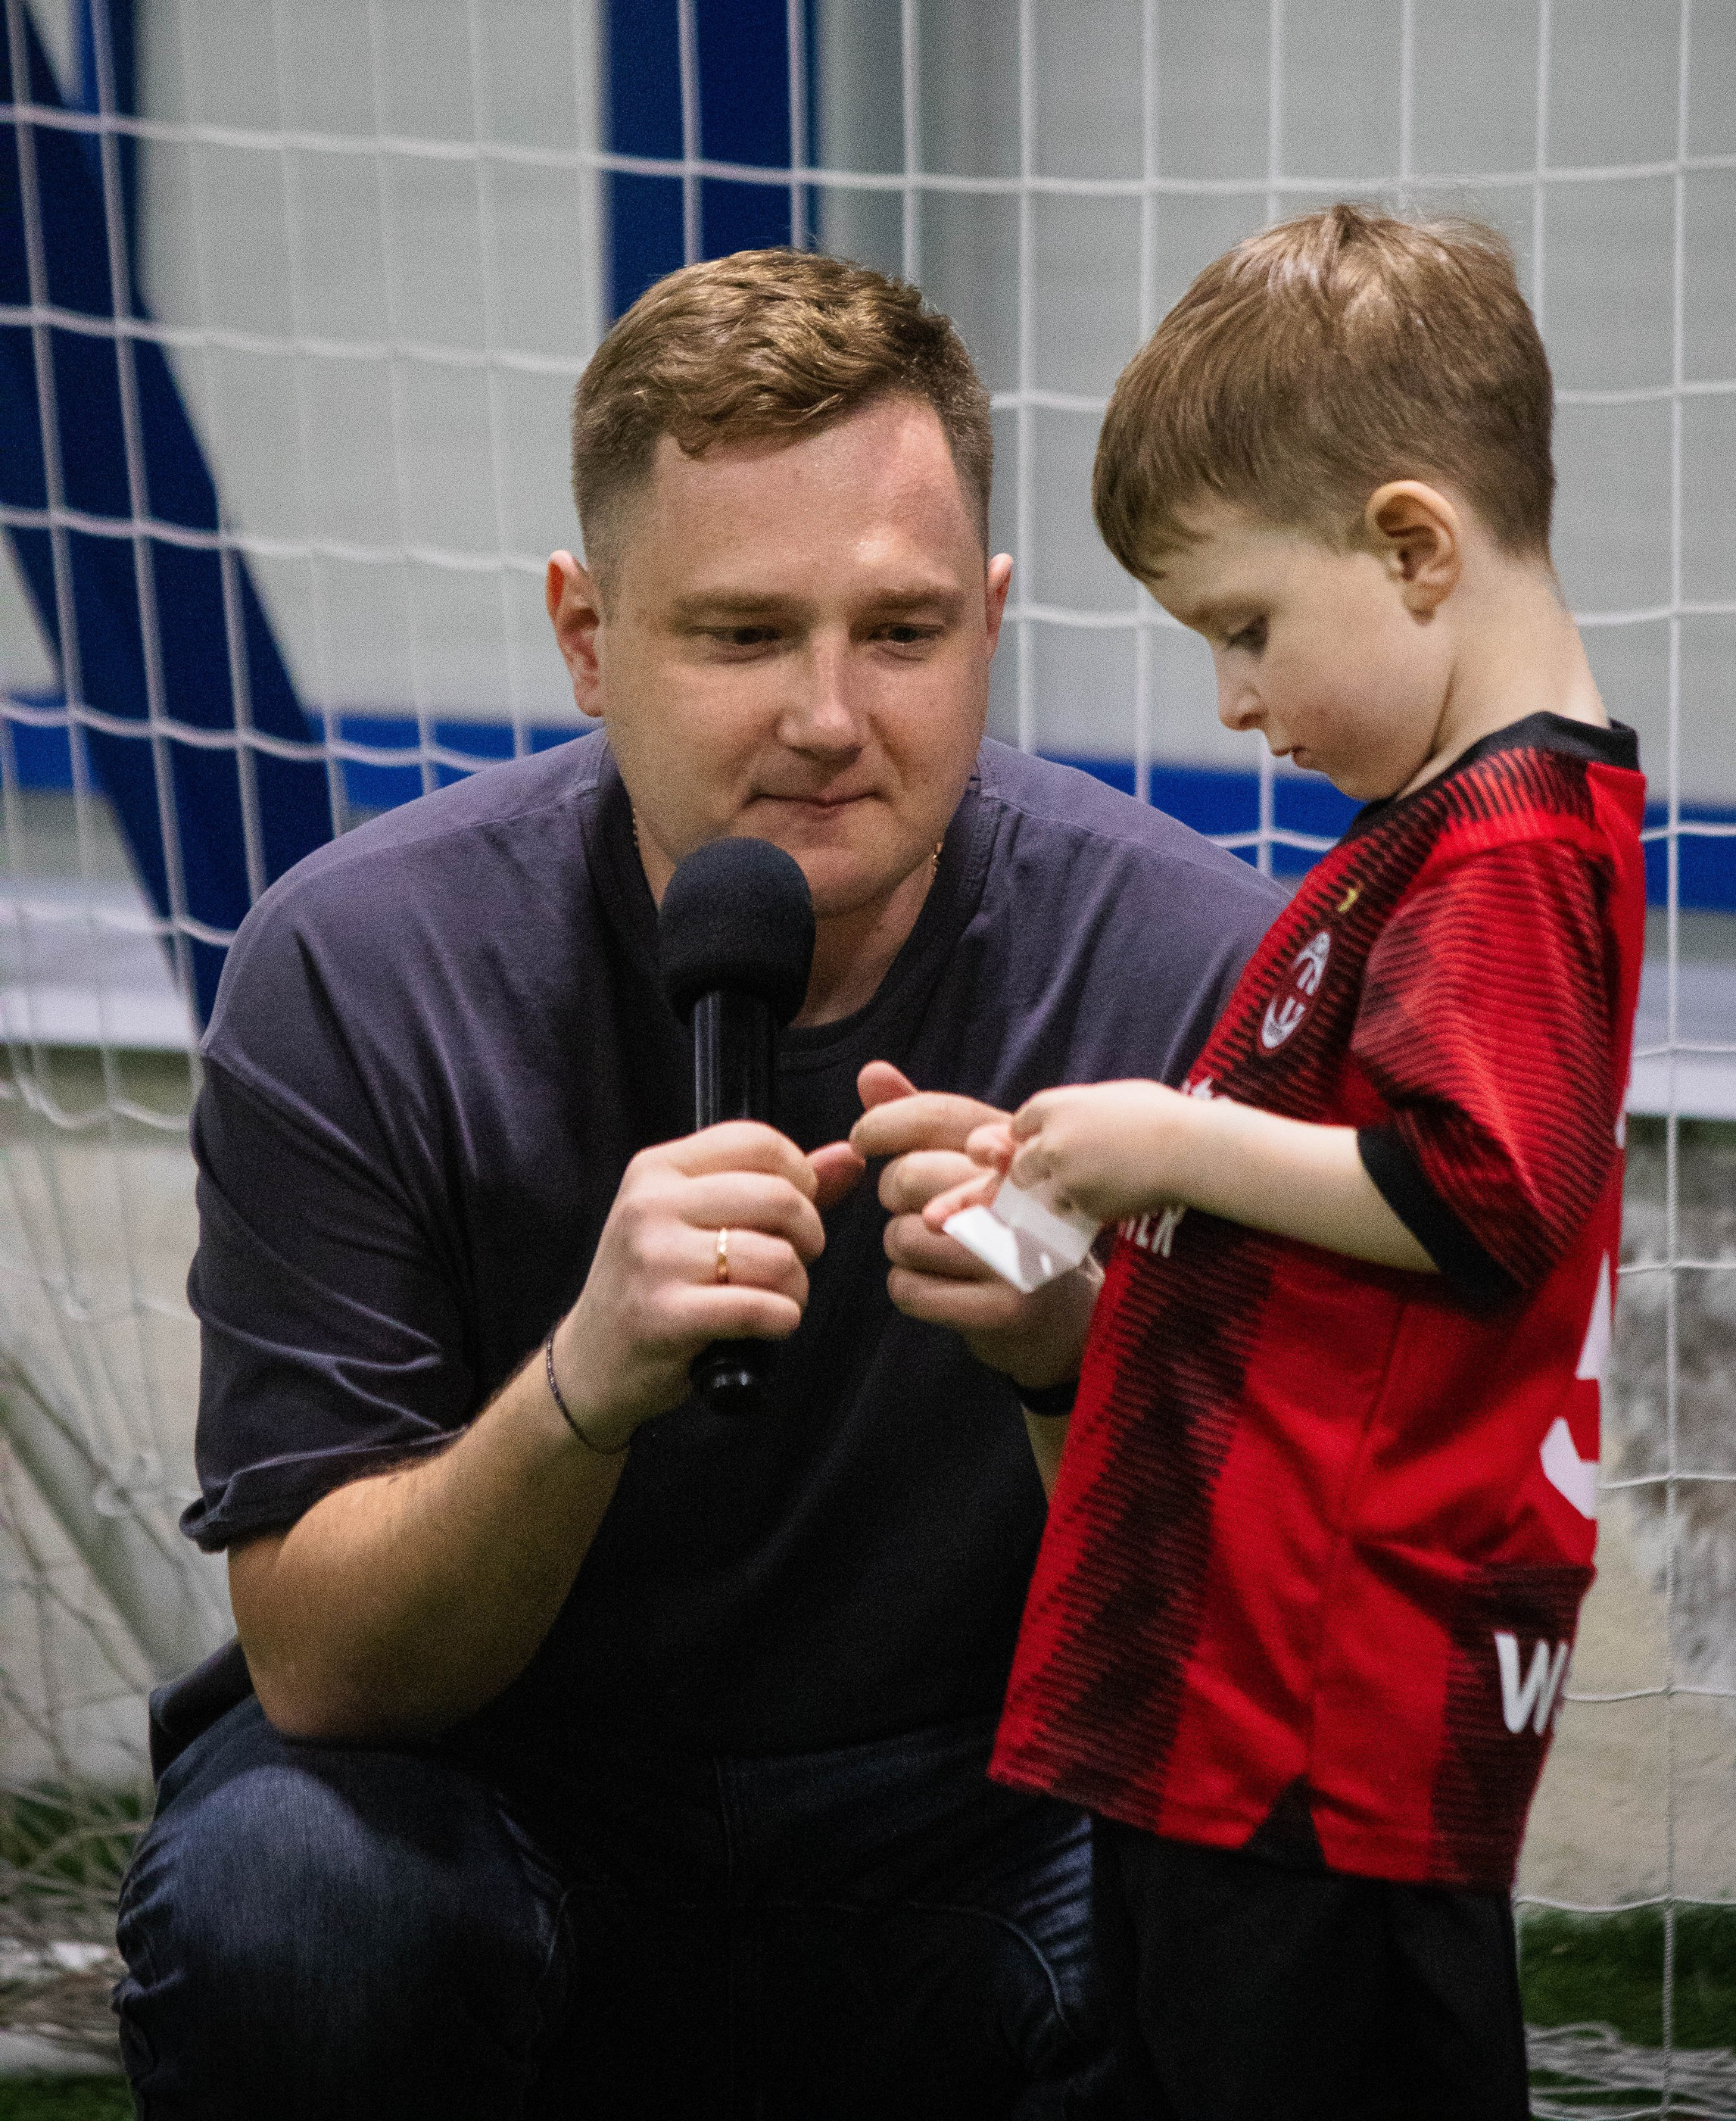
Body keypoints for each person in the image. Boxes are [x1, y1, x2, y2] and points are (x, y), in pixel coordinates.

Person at [111, 249, 1280, 2120]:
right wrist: (579, 1392)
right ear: (585, 636)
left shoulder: (1187, 972)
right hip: (502, 1794)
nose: (828, 717)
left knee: (1261, 1883)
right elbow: (322, 1668)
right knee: (291, 1901)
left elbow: (1235, 1661)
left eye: (899, 635)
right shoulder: (357, 964)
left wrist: (1073, 1366)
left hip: (977, 1816)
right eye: (741, 636)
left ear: (990, 621)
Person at [926, 208, 1645, 2121]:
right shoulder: (1452, 825)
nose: (1232, 701)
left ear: (1412, 546)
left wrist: (1170, 1136)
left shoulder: (1503, 848)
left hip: (1323, 1727)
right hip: (1244, 1692)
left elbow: (1476, 1194)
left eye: (1243, 630)